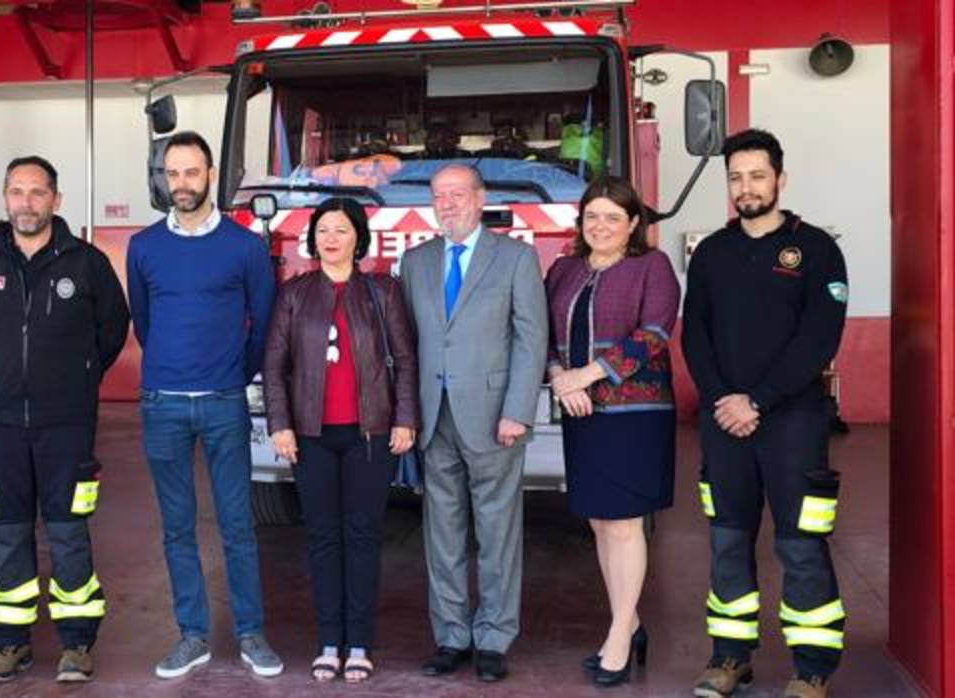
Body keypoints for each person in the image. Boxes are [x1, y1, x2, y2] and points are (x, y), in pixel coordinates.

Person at [682, 129, 848, 698]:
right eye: (735, 177)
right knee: (728, 540)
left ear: (780, 178)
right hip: (724, 423)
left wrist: (758, 400)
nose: (745, 187)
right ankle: (730, 658)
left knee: (800, 544)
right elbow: (695, 336)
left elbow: (818, 338)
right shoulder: (712, 252)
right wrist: (724, 401)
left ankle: (812, 667)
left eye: (756, 175)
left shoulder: (817, 249)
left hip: (793, 424)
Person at [0, 156, 129, 683]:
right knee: (7, 532)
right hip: (1, 422)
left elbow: (112, 331)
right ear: (5, 197)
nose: (26, 202)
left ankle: (76, 644)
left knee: (68, 531)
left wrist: (74, 380)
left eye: (37, 192)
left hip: (66, 422)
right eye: (17, 191)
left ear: (57, 199)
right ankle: (11, 644)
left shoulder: (87, 263)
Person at [126, 131, 283, 679]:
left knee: (237, 523)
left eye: (191, 173)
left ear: (211, 175)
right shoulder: (144, 246)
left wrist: (231, 376)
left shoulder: (245, 248)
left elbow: (263, 324)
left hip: (223, 402)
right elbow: (144, 323)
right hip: (162, 404)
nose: (182, 184)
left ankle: (250, 633)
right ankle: (191, 635)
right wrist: (172, 369)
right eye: (172, 174)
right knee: (176, 526)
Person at [398, 163, 547, 682]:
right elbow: (409, 347)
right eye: (440, 196)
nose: (448, 204)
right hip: (434, 418)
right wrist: (408, 414)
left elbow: (531, 339)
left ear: (481, 200)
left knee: (497, 530)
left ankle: (494, 638)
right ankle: (451, 635)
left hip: (493, 418)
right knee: (442, 531)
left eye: (458, 195)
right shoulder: (414, 261)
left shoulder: (515, 258)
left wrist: (518, 411)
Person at [262, 197, 419, 683]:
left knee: (363, 537)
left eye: (342, 230)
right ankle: (329, 641)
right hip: (311, 437)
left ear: (358, 238)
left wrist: (405, 418)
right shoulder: (294, 293)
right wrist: (280, 424)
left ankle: (360, 644)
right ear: (313, 239)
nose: (331, 238)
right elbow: (274, 365)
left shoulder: (382, 291)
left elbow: (406, 359)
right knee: (323, 538)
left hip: (369, 435)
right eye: (323, 230)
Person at [545, 175, 681, 687]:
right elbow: (542, 333)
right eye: (592, 216)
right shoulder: (563, 270)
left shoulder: (652, 267)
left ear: (632, 225)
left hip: (635, 414)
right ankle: (632, 622)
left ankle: (620, 635)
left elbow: (655, 333)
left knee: (625, 525)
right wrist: (562, 378)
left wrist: (588, 374)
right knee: (599, 524)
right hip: (581, 412)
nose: (600, 226)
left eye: (612, 217)